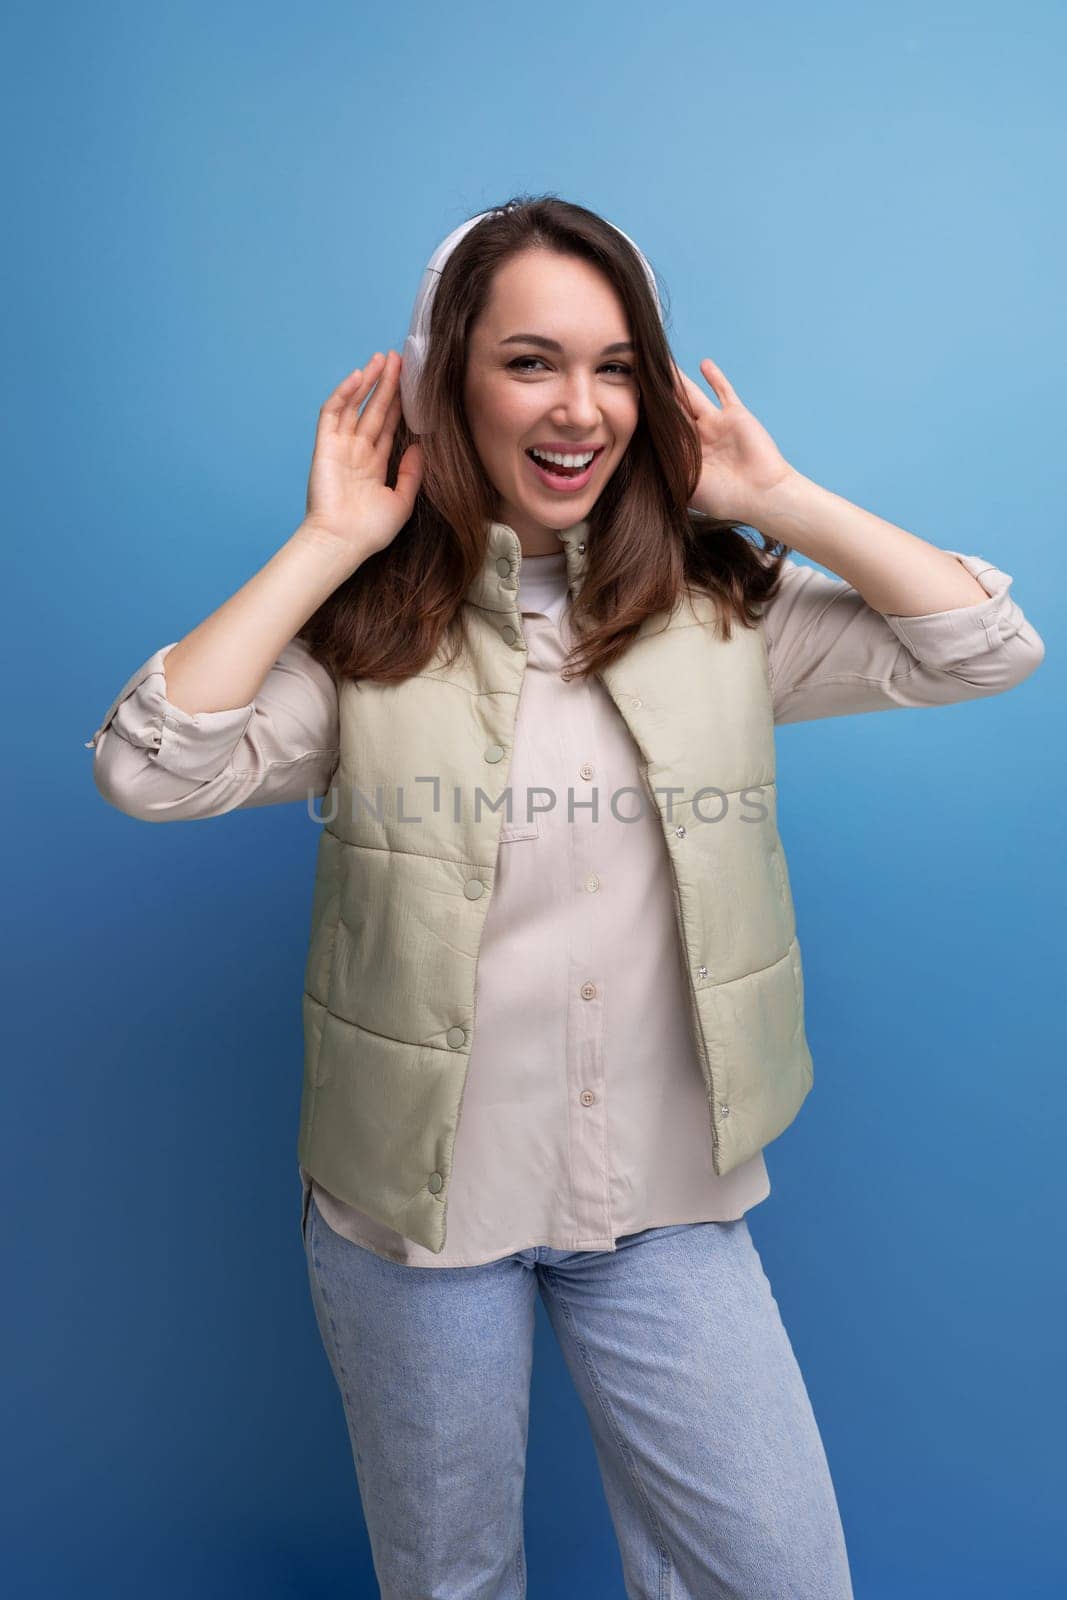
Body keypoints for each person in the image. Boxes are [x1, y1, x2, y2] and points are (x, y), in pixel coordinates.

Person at [85, 195, 1044, 1599]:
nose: (579, 404)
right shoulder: (369, 641)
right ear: (446, 384)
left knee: (780, 1576)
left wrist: (777, 501)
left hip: (661, 1196)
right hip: (416, 1216)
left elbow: (985, 645)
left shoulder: (724, 615)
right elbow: (146, 771)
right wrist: (326, 544)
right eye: (530, 360)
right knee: (454, 1581)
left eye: (612, 365)